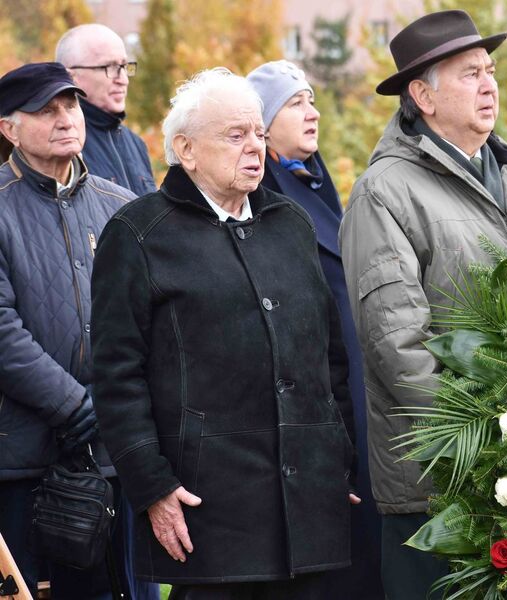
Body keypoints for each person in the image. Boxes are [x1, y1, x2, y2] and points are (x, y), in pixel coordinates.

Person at [90, 68, 356, 600]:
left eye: (258, 133)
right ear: (185, 150)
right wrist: (153, 487)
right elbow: (116, 377)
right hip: (208, 506)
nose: (254, 147)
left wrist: (338, 455)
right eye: (236, 136)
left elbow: (330, 359)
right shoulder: (139, 234)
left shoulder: (291, 223)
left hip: (310, 500)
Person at [339, 10, 507, 599]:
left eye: (490, 71)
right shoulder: (384, 192)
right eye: (469, 74)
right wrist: (487, 437)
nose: (490, 85)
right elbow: (397, 347)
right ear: (422, 96)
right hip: (441, 487)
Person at [247, 59, 384, 599]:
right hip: (316, 398)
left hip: (355, 387)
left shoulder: (317, 183)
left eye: (312, 98)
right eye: (296, 102)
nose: (314, 111)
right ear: (263, 121)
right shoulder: (267, 198)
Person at [0, 62, 136, 599]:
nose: (65, 119)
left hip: (109, 454)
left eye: (71, 106)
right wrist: (74, 405)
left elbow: (144, 323)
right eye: (45, 110)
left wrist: (114, 404)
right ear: (9, 128)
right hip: (22, 457)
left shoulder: (121, 207)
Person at [56, 24, 155, 195]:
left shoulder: (136, 143)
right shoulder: (59, 142)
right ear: (71, 76)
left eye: (124, 66)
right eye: (109, 67)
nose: (123, 80)